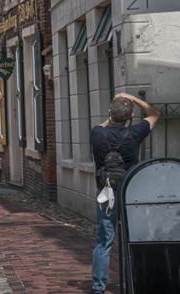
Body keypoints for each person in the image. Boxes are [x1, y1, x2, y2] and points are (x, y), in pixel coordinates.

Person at [90, 93, 159, 294]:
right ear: (130, 118)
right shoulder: (135, 132)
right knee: (133, 238)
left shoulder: (97, 133)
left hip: (106, 193)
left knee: (104, 241)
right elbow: (154, 114)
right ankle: (134, 281)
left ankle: (98, 288)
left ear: (110, 114)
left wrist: (111, 115)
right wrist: (131, 98)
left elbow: (103, 126)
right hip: (131, 191)